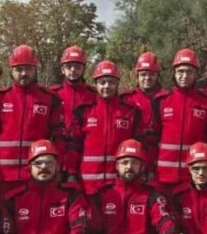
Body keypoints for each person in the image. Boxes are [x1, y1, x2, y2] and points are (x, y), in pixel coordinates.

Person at [0, 45, 68, 201]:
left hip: (36, 176)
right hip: (2, 177)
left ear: (35, 69)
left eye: (28, 69)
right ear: (11, 71)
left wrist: (57, 168)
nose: (24, 73)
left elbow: (59, 139)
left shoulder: (50, 99)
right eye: (19, 69)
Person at [71, 61, 145, 195]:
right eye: (102, 82)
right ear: (95, 84)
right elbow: (74, 146)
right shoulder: (84, 110)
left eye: (111, 82)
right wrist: (71, 174)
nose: (107, 86)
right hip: (89, 184)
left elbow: (140, 146)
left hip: (118, 184)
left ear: (117, 84)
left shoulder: (131, 112)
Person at [152, 49, 207, 196]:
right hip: (163, 176)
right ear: (174, 72)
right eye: (180, 71)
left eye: (189, 72)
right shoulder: (161, 100)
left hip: (193, 177)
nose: (184, 76)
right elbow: (152, 138)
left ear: (195, 74)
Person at [120, 52, 165, 180]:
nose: (147, 78)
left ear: (157, 76)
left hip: (158, 156)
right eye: (143, 74)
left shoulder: (165, 98)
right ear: (137, 76)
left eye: (151, 74)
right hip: (132, 158)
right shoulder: (126, 98)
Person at [50, 45, 97, 132]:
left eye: (77, 66)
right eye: (69, 66)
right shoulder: (52, 94)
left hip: (83, 144)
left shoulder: (94, 95)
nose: (73, 70)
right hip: (58, 144)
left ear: (84, 69)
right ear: (62, 69)